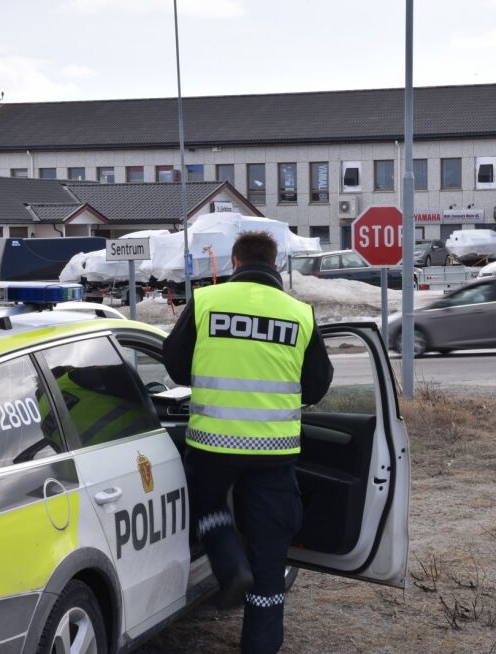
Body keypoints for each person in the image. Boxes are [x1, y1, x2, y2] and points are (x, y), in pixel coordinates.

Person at [163, 231, 333, 654]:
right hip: (274, 451)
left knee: (206, 503)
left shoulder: (205, 302)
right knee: (270, 550)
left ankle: (227, 562)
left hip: (211, 443)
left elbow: (176, 367)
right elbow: (317, 386)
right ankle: (260, 644)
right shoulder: (299, 313)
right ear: (275, 265)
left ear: (235, 262)